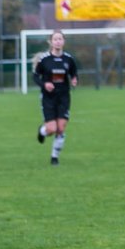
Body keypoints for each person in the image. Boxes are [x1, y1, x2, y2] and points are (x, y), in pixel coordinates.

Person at [33, 30, 78, 166]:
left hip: (64, 97)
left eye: (60, 39)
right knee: (51, 129)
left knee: (61, 128)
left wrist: (75, 80)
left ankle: (54, 157)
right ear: (51, 42)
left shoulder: (68, 59)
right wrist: (44, 84)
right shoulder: (44, 60)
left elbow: (74, 73)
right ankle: (42, 131)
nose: (58, 41)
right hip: (48, 98)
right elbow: (35, 76)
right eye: (55, 39)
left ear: (63, 41)